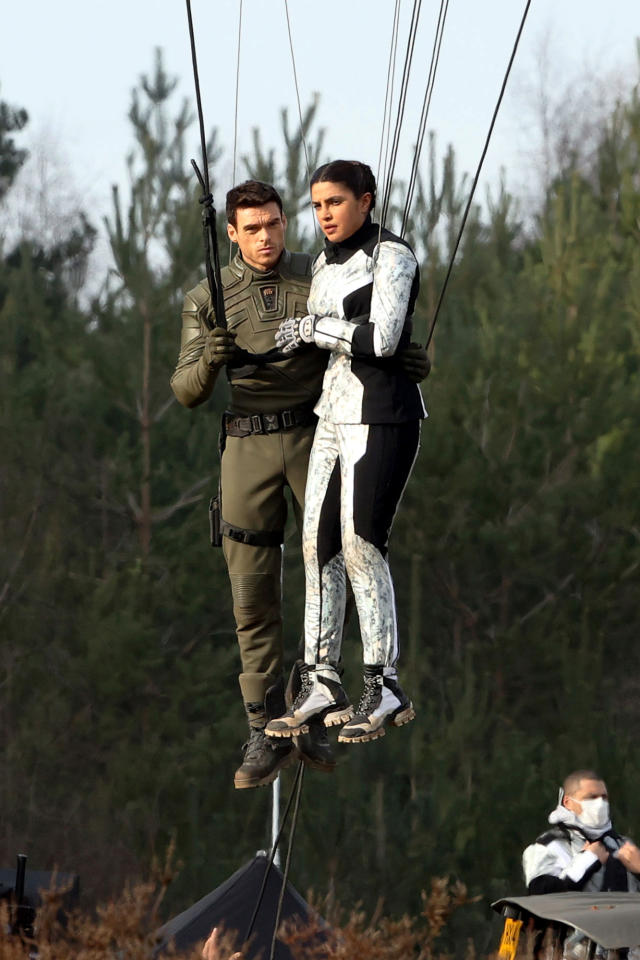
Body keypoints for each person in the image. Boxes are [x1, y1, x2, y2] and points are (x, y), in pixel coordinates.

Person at [171, 179, 429, 788]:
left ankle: (326, 690)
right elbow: (185, 391)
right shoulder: (207, 295)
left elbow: (373, 326)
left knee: (334, 553)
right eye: (252, 228)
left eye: (275, 224)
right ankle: (264, 725)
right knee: (252, 588)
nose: (266, 238)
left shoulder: (315, 272)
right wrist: (210, 355)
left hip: (319, 426)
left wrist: (413, 360)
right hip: (249, 442)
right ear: (231, 232)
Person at [266, 160, 425, 745]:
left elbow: (381, 338)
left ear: (366, 200)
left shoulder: (393, 255)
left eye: (335, 202)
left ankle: (384, 682)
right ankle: (322, 676)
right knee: (315, 544)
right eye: (316, 205)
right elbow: (339, 332)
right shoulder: (327, 265)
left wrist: (315, 328)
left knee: (361, 542)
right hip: (332, 413)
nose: (325, 214)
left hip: (382, 414)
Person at [523, 769, 640, 956]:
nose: (600, 803)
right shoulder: (549, 846)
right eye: (591, 797)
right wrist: (587, 861)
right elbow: (540, 897)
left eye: (604, 797)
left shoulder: (625, 847)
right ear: (568, 802)